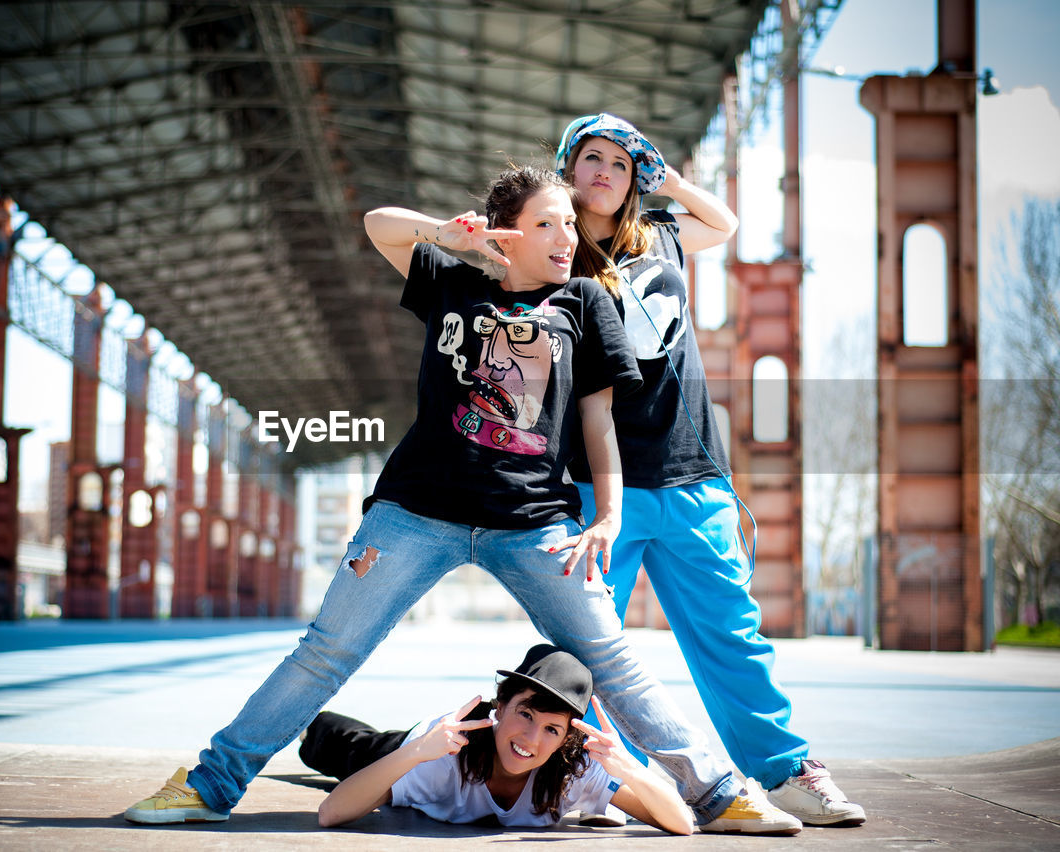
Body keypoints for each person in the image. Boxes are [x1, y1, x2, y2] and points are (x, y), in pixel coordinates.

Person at [124, 164, 799, 834]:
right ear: (508, 236)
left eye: (569, 221)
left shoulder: (587, 303)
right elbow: (378, 226)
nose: (568, 236)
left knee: (614, 662)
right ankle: (209, 784)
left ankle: (717, 794)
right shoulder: (454, 283)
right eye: (548, 224)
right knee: (326, 652)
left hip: (534, 524)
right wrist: (447, 235)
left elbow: (597, 422)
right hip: (418, 513)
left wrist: (610, 516)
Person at [555, 112, 867, 826]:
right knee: (583, 645)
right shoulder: (554, 247)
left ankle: (785, 772)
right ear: (569, 168)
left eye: (621, 163)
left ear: (638, 177)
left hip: (693, 476)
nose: (605, 171)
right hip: (593, 484)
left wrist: (669, 178)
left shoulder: (662, 233)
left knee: (733, 637)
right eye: (591, 157)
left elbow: (721, 223)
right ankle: (589, 780)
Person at [302, 644, 694, 835]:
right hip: (415, 747)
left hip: (426, 754)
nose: (531, 738)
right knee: (353, 748)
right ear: (500, 706)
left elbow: (681, 824)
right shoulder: (445, 751)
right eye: (525, 714)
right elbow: (330, 814)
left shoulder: (577, 771)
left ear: (564, 741)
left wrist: (631, 772)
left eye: (551, 729)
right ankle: (310, 726)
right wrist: (416, 752)